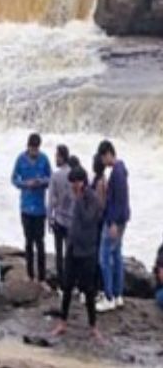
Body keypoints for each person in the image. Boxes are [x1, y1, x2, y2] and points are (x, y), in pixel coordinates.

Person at [52, 166, 102, 339]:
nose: (72, 186)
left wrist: (79, 199)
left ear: (82, 182)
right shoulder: (75, 197)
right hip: (73, 249)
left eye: (74, 183)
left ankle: (93, 326)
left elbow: (88, 220)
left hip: (87, 251)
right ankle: (62, 322)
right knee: (67, 287)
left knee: (89, 290)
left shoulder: (92, 198)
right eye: (71, 183)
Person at [11, 133, 51, 283]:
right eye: (32, 149)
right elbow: (14, 179)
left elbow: (50, 178)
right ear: (28, 146)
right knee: (28, 241)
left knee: (40, 242)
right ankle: (30, 274)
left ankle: (42, 276)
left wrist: (41, 181)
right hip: (26, 207)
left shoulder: (44, 159)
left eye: (36, 149)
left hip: (40, 208)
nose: (34, 151)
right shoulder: (20, 159)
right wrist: (25, 184)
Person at [96, 140, 129, 311]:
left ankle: (109, 296)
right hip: (121, 219)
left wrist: (114, 222)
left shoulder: (117, 172)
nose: (102, 162)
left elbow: (119, 199)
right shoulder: (120, 169)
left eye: (103, 158)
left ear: (108, 153)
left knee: (104, 257)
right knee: (116, 255)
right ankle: (118, 295)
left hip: (114, 221)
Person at [48, 144, 73, 286]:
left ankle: (61, 284)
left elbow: (51, 200)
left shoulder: (56, 176)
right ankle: (71, 282)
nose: (55, 159)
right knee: (70, 254)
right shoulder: (73, 174)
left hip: (59, 219)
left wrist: (49, 219)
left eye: (57, 156)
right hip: (72, 220)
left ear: (62, 157)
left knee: (59, 253)